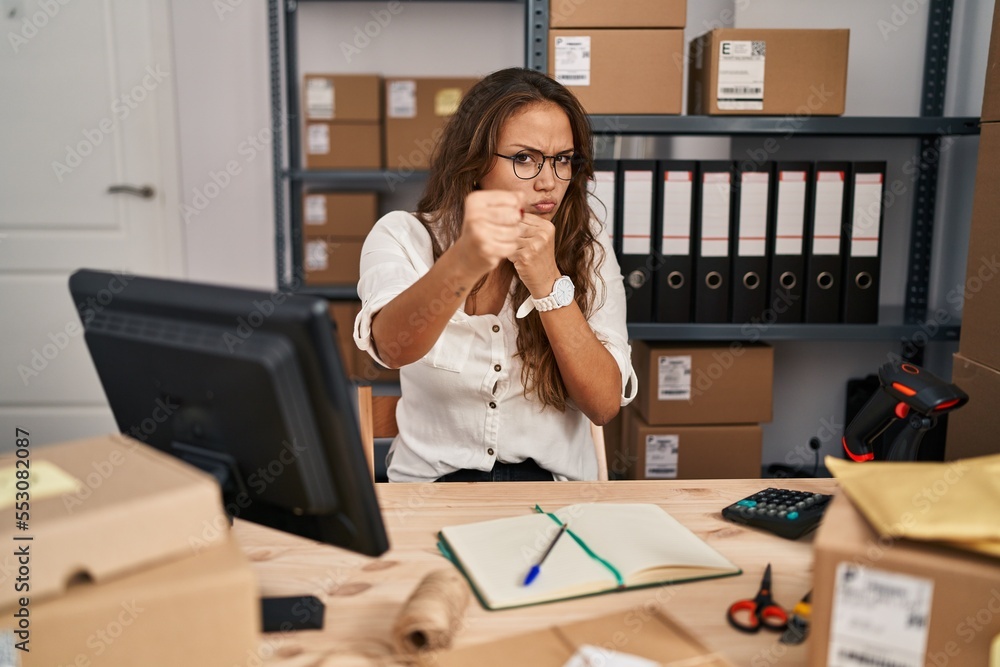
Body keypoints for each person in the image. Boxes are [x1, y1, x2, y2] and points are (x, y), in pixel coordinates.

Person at [354, 67, 636, 483]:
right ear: (476, 160)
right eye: (524, 158)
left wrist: (548, 284)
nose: (548, 183)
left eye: (562, 161)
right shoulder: (403, 235)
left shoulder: (587, 243)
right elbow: (392, 348)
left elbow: (602, 404)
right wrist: (465, 260)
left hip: (552, 491)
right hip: (430, 489)